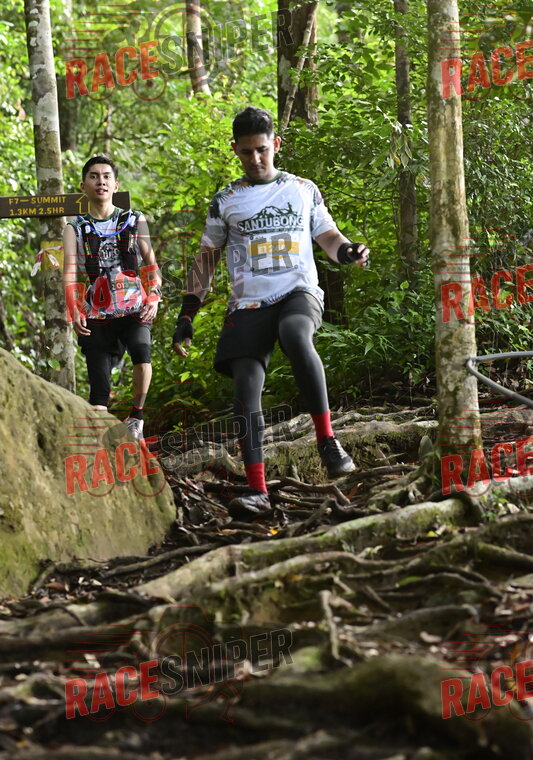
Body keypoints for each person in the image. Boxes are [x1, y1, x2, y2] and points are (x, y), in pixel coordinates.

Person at [172, 107, 369, 519]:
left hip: (297, 291)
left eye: (262, 149)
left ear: (276, 144)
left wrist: (349, 251)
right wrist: (187, 315)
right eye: (247, 152)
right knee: (245, 385)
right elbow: (206, 260)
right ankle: (258, 491)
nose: (256, 159)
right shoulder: (225, 201)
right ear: (235, 150)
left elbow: (328, 236)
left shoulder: (302, 188)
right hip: (247, 304)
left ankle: (327, 441)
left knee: (295, 334)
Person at [63, 155, 162, 439]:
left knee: (142, 352)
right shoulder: (74, 228)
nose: (101, 181)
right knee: (99, 393)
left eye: (107, 176)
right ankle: (99, 444)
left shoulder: (134, 220)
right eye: (94, 176)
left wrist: (154, 297)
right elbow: (69, 272)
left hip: (134, 306)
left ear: (116, 185)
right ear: (83, 186)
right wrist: (74, 309)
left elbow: (151, 265)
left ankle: (136, 418)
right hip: (97, 311)